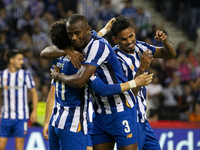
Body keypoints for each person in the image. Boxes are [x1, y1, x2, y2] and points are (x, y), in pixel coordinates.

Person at [41, 18, 153, 150]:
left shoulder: (64, 59)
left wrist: (105, 29)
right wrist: (135, 82)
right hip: (87, 118)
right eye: (71, 35)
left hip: (118, 110)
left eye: (77, 33)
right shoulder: (79, 58)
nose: (75, 37)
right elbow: (101, 89)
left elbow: (45, 53)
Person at [111, 15, 176, 150]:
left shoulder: (140, 46)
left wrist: (165, 42)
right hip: (128, 119)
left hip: (142, 118)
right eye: (123, 39)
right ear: (115, 40)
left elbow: (169, 54)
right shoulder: (114, 60)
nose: (129, 41)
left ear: (134, 31)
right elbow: (127, 97)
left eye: (130, 36)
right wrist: (142, 68)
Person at [0, 50, 38, 150]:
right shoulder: (2, 75)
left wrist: (34, 111)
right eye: (19, 59)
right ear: (11, 60)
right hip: (6, 117)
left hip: (21, 117)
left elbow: (33, 92)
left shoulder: (26, 75)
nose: (22, 62)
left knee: (19, 147)